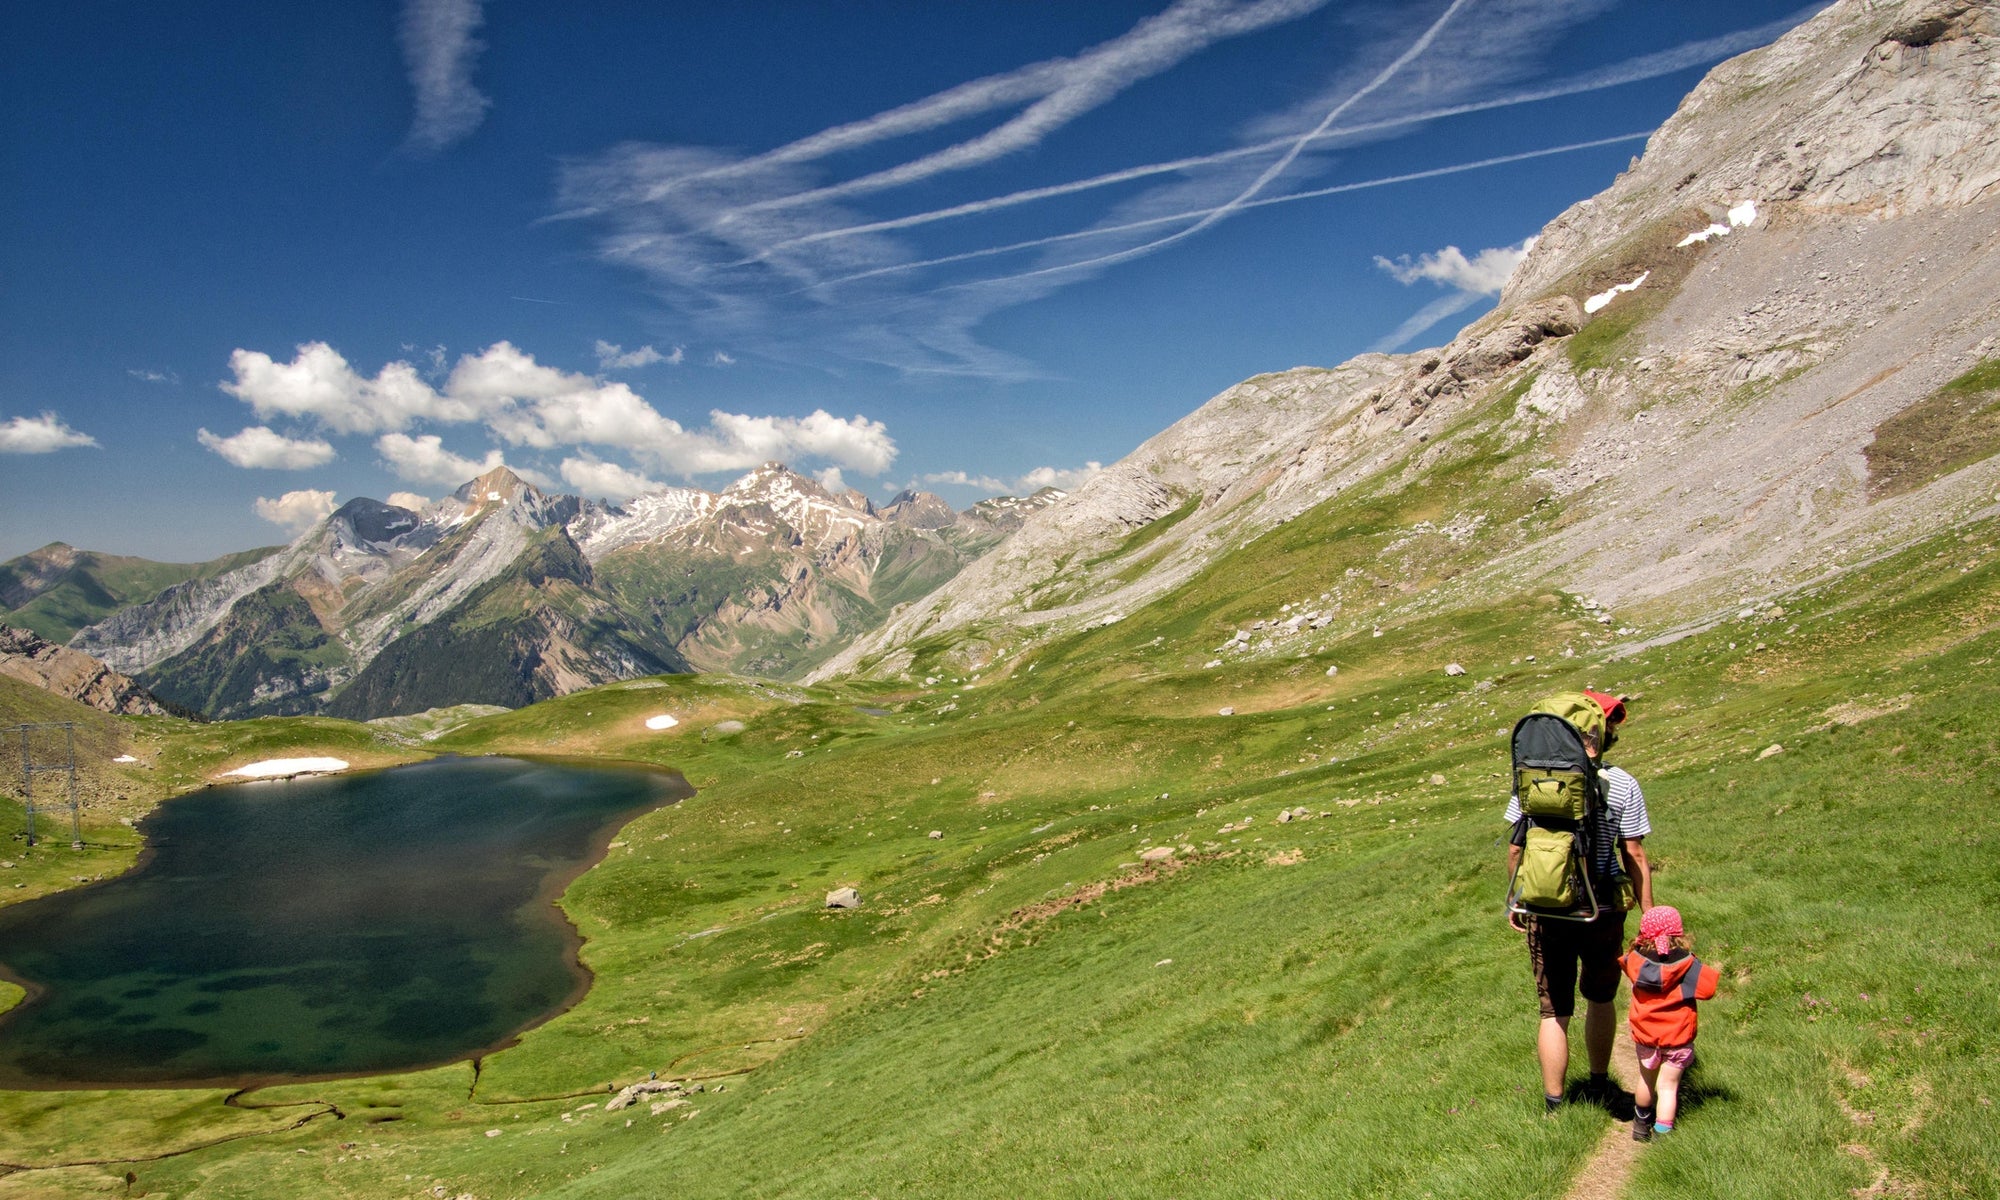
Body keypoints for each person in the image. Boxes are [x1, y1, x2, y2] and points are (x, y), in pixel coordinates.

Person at [1504, 691, 1653, 1113]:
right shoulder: (1622, 783)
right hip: (1602, 909)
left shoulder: (1532, 782)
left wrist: (1518, 900)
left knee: (1553, 1010)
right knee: (1601, 998)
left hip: (1546, 910)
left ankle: (1554, 1104)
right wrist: (1649, 915)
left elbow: (1517, 850)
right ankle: (1600, 1082)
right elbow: (1635, 854)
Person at [1620, 906, 1719, 1140]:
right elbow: (1709, 989)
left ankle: (1640, 1125)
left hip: (1646, 1036)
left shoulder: (1635, 961)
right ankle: (1663, 1134)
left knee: (1646, 1078)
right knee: (1668, 1087)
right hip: (1677, 1038)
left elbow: (1623, 963)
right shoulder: (1687, 964)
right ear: (1678, 934)